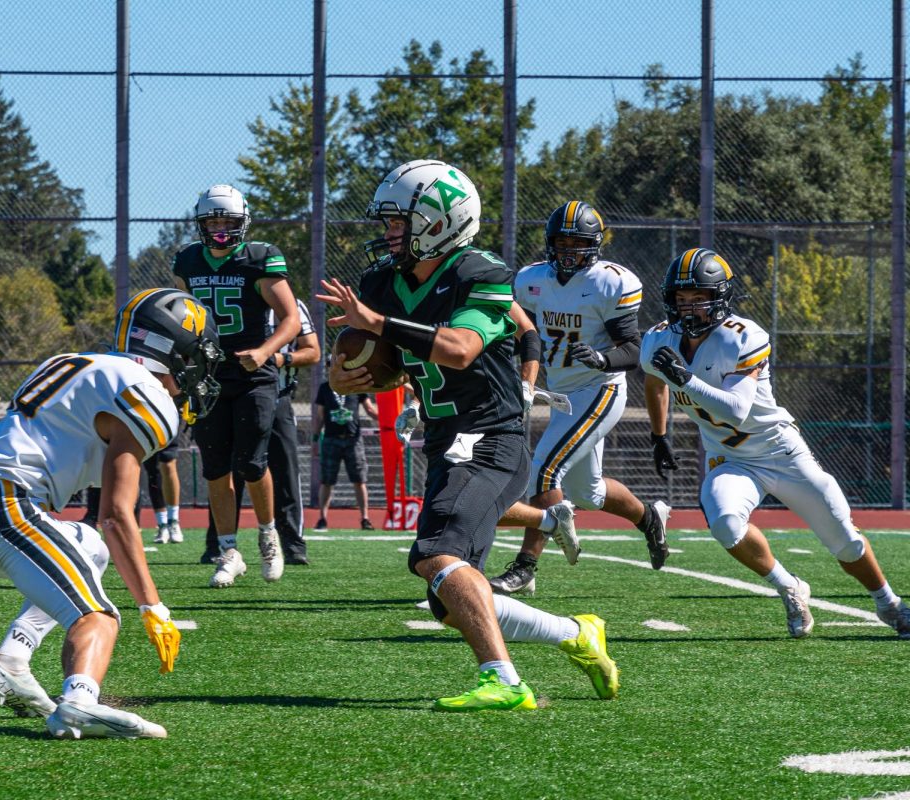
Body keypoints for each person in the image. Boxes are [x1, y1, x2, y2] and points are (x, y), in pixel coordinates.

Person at [318, 159, 618, 710]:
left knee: (436, 555)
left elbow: (459, 349)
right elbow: (360, 361)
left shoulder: (481, 273)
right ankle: (576, 633)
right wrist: (346, 375)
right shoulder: (381, 283)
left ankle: (504, 681)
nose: (387, 233)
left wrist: (378, 324)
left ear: (437, 221)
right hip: (443, 437)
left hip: (492, 435)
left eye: (397, 221)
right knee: (451, 600)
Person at [0, 288, 222, 738]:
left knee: (88, 547)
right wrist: (153, 605)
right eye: (196, 359)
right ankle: (78, 702)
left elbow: (90, 517)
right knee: (98, 615)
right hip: (5, 505)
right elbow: (115, 515)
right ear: (174, 353)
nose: (197, 374)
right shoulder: (148, 392)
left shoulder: (77, 363)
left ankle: (10, 659)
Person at [642, 247, 910, 639]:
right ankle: (789, 586)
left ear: (719, 299)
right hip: (729, 459)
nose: (688, 308)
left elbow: (736, 409)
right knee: (725, 524)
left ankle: (890, 604)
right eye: (682, 299)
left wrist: (685, 379)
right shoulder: (658, 339)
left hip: (780, 451)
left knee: (845, 542)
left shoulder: (743, 336)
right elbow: (653, 382)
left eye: (699, 298)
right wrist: (659, 434)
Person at [489, 200, 671, 597]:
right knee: (589, 493)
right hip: (561, 394)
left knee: (544, 468)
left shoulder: (610, 282)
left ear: (595, 244)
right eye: (562, 241)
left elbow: (634, 349)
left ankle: (526, 567)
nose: (569, 250)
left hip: (600, 388)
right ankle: (650, 519)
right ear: (550, 243)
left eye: (578, 242)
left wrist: (604, 358)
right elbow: (523, 334)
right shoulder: (532, 280)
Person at [172, 184, 301, 587]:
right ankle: (228, 550)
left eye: (228, 221)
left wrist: (265, 352)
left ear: (243, 223)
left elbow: (291, 319)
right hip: (208, 374)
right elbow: (181, 318)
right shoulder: (188, 260)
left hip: (252, 373)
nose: (221, 229)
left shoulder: (259, 259)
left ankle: (268, 536)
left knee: (250, 462)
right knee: (214, 468)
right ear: (201, 224)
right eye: (214, 222)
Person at [202, 298, 321, 564]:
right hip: (233, 396)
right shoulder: (225, 296)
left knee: (285, 470)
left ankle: (292, 543)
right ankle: (218, 545)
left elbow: (313, 352)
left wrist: (279, 358)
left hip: (277, 397)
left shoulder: (292, 307)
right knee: (225, 469)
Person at [312, 377, 378, 532]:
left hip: (353, 440)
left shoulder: (356, 384)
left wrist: (390, 422)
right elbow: (320, 416)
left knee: (359, 480)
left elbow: (370, 409)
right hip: (331, 439)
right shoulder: (325, 387)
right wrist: (315, 439)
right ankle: (322, 518)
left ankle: (365, 518)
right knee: (327, 481)